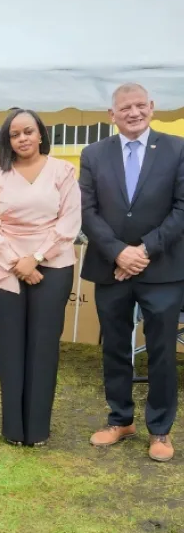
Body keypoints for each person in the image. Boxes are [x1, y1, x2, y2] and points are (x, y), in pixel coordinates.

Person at [81, 83, 184, 462]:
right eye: (125, 107)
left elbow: (182, 208)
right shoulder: (93, 153)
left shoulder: (177, 148)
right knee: (115, 349)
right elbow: (87, 210)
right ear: (112, 115)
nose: (133, 112)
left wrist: (143, 251)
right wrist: (118, 253)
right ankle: (120, 419)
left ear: (152, 108)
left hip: (164, 270)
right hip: (111, 268)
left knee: (160, 351)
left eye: (140, 105)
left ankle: (160, 429)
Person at [0, 109, 81, 447]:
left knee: (43, 346)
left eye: (28, 131)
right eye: (15, 134)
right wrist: (15, 261)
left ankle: (37, 430)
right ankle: (12, 430)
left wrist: (35, 258)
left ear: (40, 134)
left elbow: (69, 223)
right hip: (6, 268)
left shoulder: (63, 171)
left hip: (53, 265)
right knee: (12, 346)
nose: (22, 138)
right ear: (7, 140)